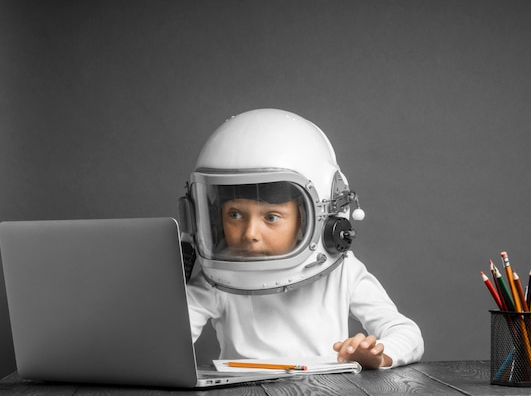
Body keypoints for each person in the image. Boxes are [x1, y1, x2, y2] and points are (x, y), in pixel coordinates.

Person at [178, 108, 423, 369]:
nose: (250, 233)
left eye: (271, 217)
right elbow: (168, 343)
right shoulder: (216, 278)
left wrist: (376, 354)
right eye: (235, 214)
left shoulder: (342, 273)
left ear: (312, 219)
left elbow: (407, 333)